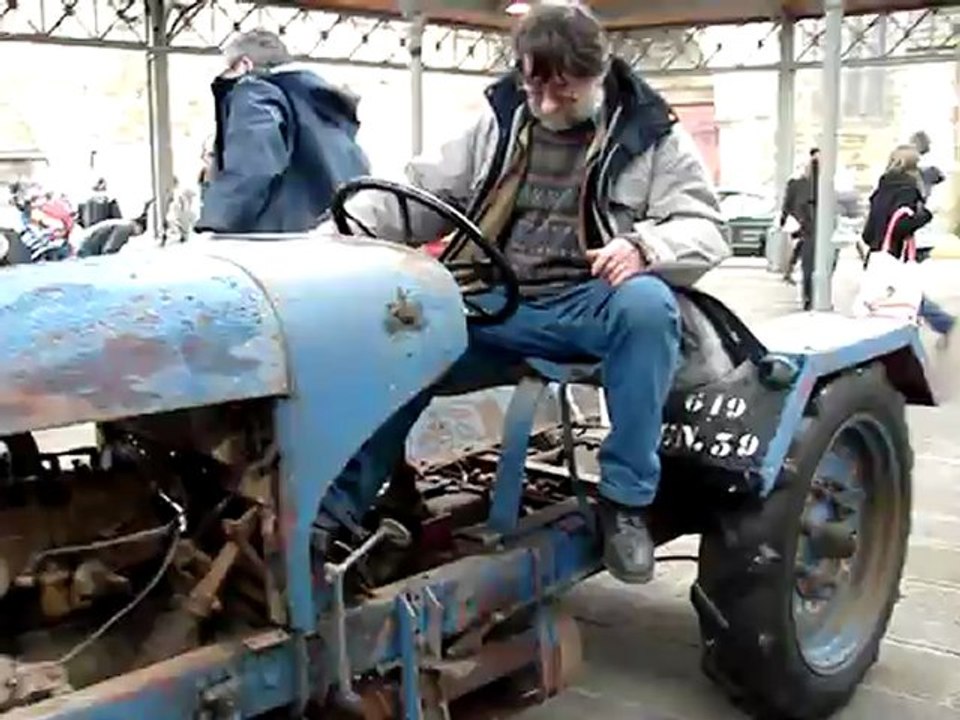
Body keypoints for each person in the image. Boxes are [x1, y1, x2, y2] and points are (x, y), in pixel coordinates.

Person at [320, 3, 728, 585]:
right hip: (498, 303)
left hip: (586, 305)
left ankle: (626, 502)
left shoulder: (651, 134)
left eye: (563, 92)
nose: (545, 106)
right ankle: (337, 510)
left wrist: (645, 247)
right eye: (534, 87)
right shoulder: (501, 118)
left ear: (599, 72)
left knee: (648, 308)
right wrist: (323, 239)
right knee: (400, 330)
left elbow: (706, 227)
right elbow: (418, 191)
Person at [195, 29, 370, 234]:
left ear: (244, 65)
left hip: (280, 245)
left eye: (228, 70)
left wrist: (212, 223)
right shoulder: (325, 105)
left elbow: (252, 168)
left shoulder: (255, 93)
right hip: (338, 238)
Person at [862, 144, 955, 344]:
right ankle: (942, 323)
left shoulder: (881, 188)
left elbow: (870, 231)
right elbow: (902, 225)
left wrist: (876, 243)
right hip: (900, 252)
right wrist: (927, 215)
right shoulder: (909, 189)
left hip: (880, 251)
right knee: (902, 293)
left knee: (890, 296)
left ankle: (939, 324)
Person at [778, 148, 819, 308]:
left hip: (812, 230)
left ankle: (810, 296)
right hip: (807, 229)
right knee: (809, 265)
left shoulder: (825, 185)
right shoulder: (797, 184)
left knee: (811, 264)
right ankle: (809, 297)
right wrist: (784, 221)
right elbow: (788, 206)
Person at [77, 203, 150, 257]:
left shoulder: (122, 223)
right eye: (140, 232)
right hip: (87, 247)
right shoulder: (125, 228)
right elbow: (109, 250)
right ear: (137, 225)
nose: (137, 235)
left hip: (85, 242)